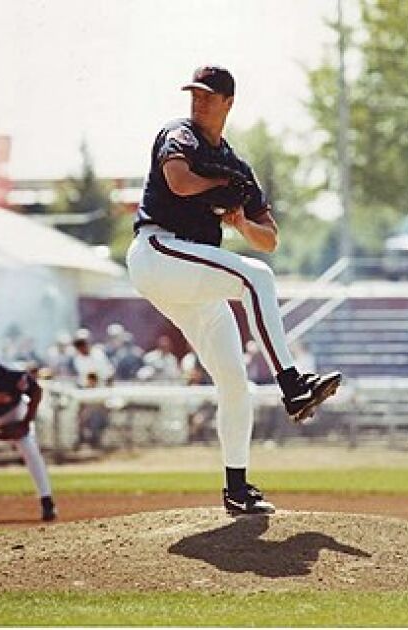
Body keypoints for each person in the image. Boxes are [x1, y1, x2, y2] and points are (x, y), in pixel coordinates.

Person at [125, 65, 341, 516]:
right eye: (194, 94)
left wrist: (242, 222)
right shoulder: (179, 134)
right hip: (160, 251)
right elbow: (180, 181)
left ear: (228, 103)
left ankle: (237, 490)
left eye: (207, 96)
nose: (198, 102)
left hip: (191, 278)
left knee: (234, 382)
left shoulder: (238, 164)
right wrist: (221, 186)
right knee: (256, 277)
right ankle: (291, 383)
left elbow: (270, 237)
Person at [0, 331, 57, 521]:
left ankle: (46, 501)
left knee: (30, 449)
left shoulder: (9, 373)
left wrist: (26, 422)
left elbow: (36, 391)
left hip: (13, 413)